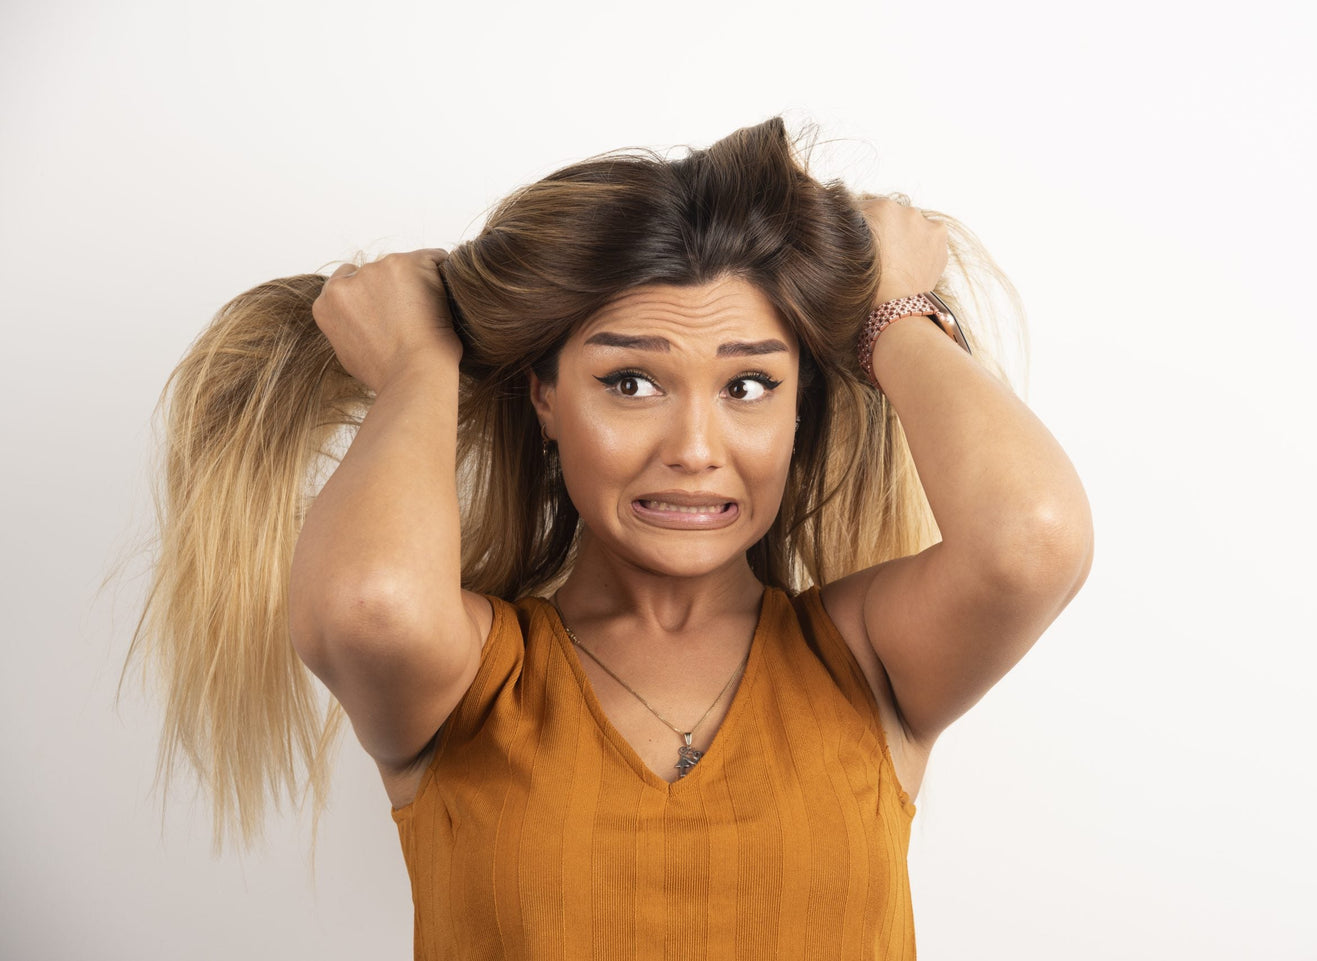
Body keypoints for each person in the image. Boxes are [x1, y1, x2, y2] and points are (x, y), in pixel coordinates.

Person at [129, 116, 1092, 959]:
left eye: (749, 385)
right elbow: (368, 602)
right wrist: (419, 360)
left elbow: (1033, 539)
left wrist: (894, 316)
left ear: (802, 408)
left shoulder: (869, 662)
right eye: (630, 381)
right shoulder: (469, 683)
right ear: (547, 397)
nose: (695, 449)